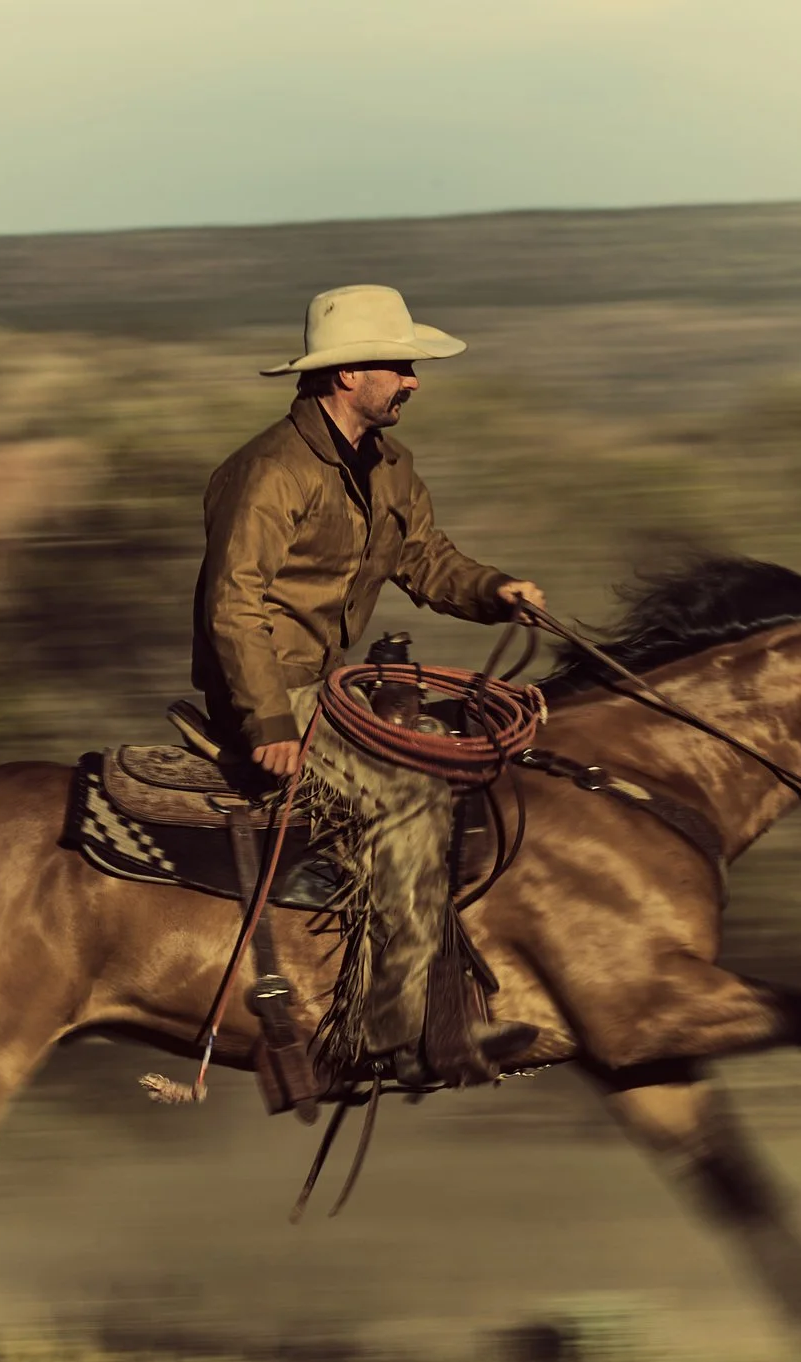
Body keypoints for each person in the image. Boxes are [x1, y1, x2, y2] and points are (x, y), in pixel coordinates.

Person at [193, 284, 546, 1083]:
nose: (413, 379)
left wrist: (495, 590)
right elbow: (233, 604)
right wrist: (269, 721)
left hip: (330, 684)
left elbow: (427, 560)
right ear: (347, 375)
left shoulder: (390, 467)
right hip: (276, 692)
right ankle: (385, 1034)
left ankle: (442, 1007)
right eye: (400, 365)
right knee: (410, 802)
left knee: (467, 765)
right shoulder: (267, 472)